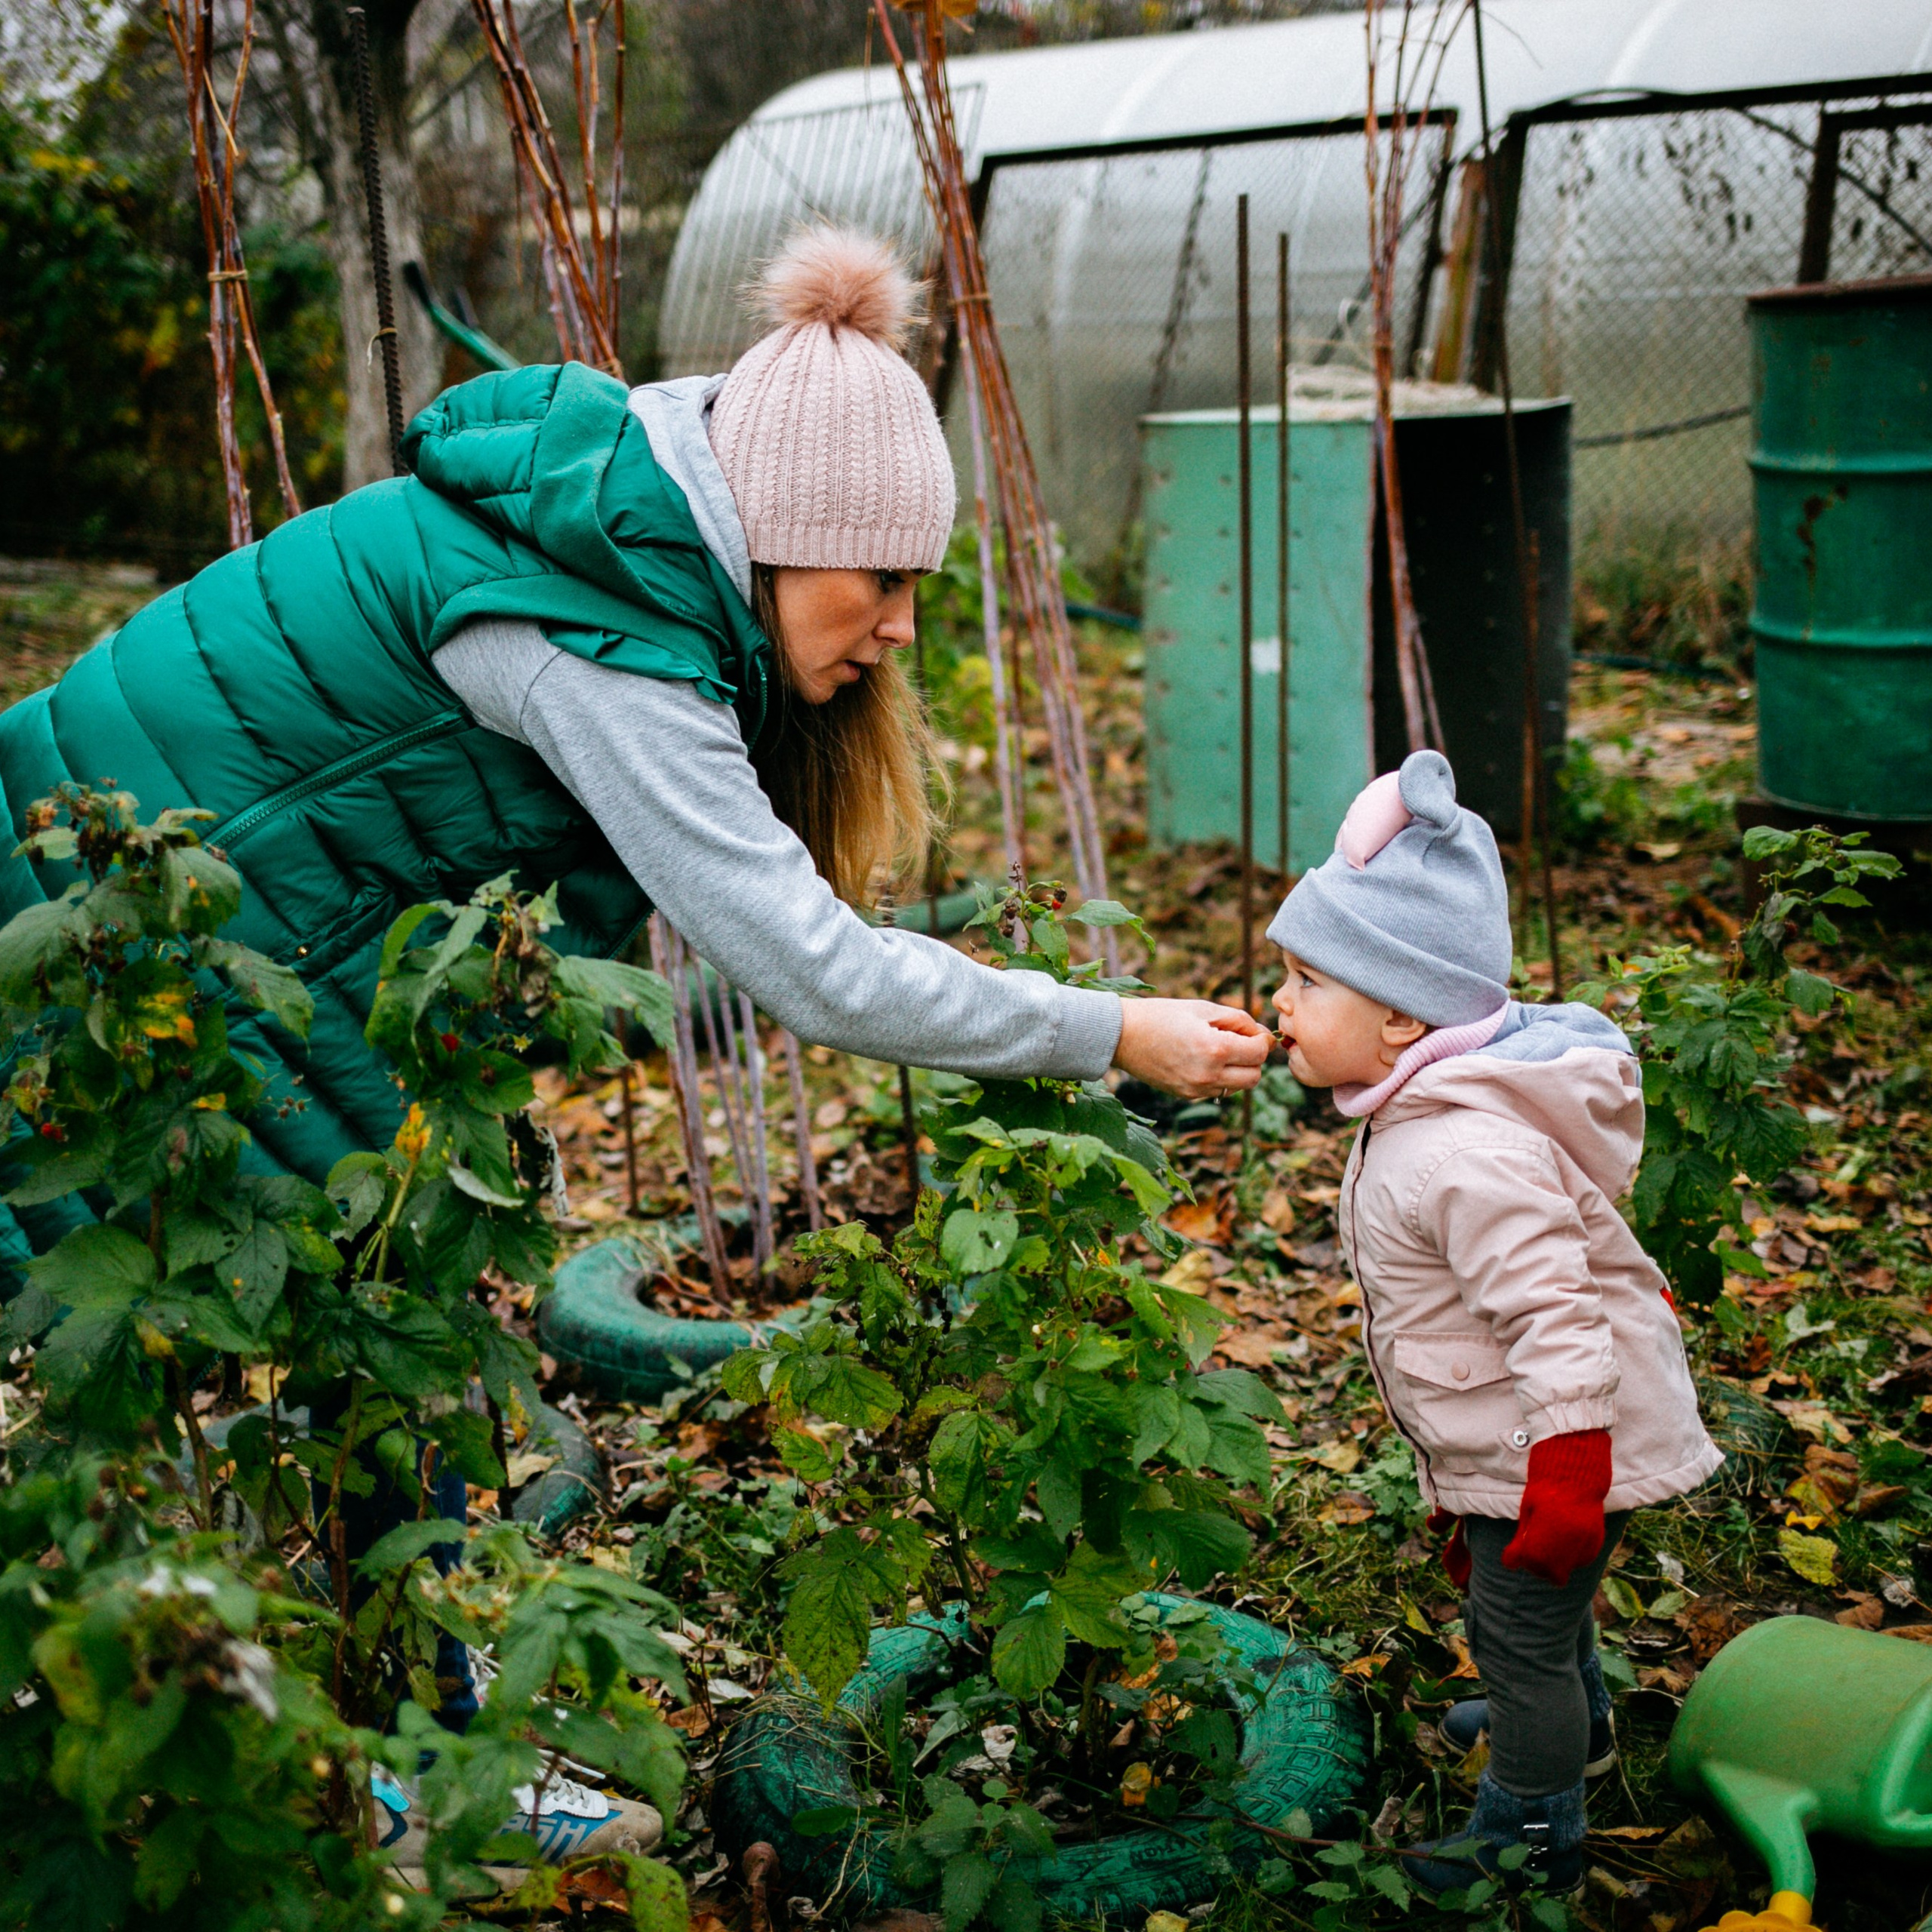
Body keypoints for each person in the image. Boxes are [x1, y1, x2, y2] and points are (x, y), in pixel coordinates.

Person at [0, 225, 1269, 1864]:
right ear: (774, 539)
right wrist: (1111, 1028)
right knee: (344, 1323)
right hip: (128, 906)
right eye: (873, 582)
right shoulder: (598, 635)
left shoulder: (642, 520)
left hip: (211, 902)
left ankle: (350, 1731)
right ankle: (407, 1771)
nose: (895, 626)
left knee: (368, 1320)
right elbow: (810, 967)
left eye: (911, 586)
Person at [1266, 749, 1719, 1897]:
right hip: (1514, 1442)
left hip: (1559, 1446)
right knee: (1540, 1626)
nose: (1279, 1004)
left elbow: (1554, 1316)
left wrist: (1565, 1476)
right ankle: (1585, 1721)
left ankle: (1530, 1836)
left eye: (1306, 983)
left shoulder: (1466, 1148)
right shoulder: (1427, 1105)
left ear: (1399, 1017)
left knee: (1516, 1642)